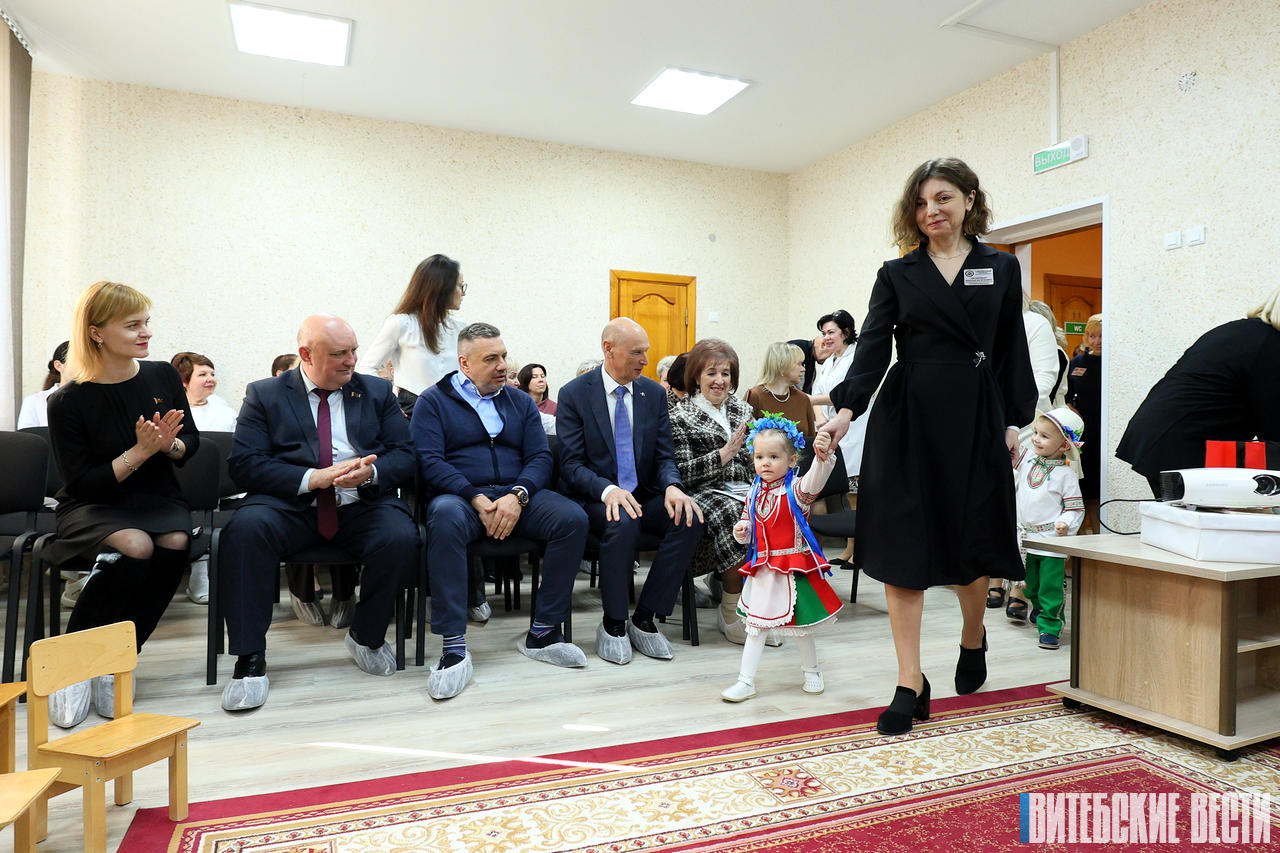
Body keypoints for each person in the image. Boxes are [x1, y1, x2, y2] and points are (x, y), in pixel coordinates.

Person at [819, 157, 1035, 735]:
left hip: (975, 414)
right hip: (908, 415)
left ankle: (973, 636)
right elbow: (872, 348)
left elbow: (1011, 347)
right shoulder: (897, 273)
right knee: (903, 546)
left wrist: (1014, 421)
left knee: (972, 538)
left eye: (942, 198)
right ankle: (908, 682)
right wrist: (846, 410)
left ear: (969, 200)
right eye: (920, 203)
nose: (931, 211)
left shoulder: (1000, 267)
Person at [217, 314, 418, 712]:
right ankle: (249, 658)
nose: (351, 360)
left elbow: (406, 455)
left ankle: (366, 636)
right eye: (339, 353)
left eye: (354, 350)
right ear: (306, 355)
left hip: (359, 503)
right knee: (244, 531)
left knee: (400, 536)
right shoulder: (265, 394)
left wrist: (371, 473)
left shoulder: (377, 392)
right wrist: (313, 478)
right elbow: (244, 464)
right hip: (291, 506)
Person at [44, 282, 198, 728]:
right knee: (135, 545)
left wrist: (168, 446)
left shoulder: (162, 376)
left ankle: (118, 661)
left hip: (156, 496)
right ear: (96, 333)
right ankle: (73, 665)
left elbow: (191, 442)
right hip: (92, 503)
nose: (145, 333)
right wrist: (140, 451)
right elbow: (83, 483)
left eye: (146, 322)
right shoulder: (67, 400)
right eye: (132, 325)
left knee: (175, 541)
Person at [412, 323, 588, 697]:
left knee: (572, 519)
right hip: (461, 498)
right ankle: (453, 646)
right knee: (444, 518)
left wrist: (517, 495)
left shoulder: (519, 401)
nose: (503, 366)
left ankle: (543, 632)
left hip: (516, 495)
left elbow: (540, 456)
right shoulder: (433, 401)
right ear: (464, 363)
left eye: (504, 356)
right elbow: (430, 461)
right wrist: (474, 496)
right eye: (491, 358)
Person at [556, 318, 704, 665]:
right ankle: (613, 623)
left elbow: (665, 456)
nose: (645, 360)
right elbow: (571, 465)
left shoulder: (653, 394)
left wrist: (672, 486)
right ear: (609, 349)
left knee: (689, 517)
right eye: (637, 352)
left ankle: (644, 617)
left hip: (643, 494)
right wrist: (607, 490)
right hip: (596, 497)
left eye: (646, 352)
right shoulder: (574, 394)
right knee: (623, 520)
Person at [721, 417, 841, 702]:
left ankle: (812, 672)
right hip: (764, 570)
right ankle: (745, 681)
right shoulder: (753, 492)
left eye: (774, 457)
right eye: (759, 457)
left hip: (794, 570)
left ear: (792, 460)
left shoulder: (797, 491)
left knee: (801, 627)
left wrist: (823, 457)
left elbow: (817, 478)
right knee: (756, 627)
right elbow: (748, 525)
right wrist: (742, 530)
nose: (765, 463)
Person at [1117, 287, 1280, 496]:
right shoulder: (1270, 344)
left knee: (1186, 512)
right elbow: (1272, 421)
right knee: (1199, 512)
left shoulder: (1245, 331)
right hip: (1181, 440)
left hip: (1165, 432)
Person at [669, 338, 766, 646]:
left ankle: (765, 609)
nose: (719, 380)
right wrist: (722, 455)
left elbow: (758, 456)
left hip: (745, 487)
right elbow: (682, 473)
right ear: (696, 376)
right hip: (704, 491)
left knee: (775, 506)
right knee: (736, 514)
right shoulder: (679, 415)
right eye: (711, 373)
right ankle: (730, 613)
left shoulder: (743, 409)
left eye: (725, 373)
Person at [1011, 408, 1085, 650]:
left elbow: (1075, 508)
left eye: (1044, 436)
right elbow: (1010, 450)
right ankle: (1039, 606)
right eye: (1035, 432)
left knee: (1050, 587)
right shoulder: (1027, 460)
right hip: (1026, 538)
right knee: (1030, 585)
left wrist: (1065, 522)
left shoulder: (1066, 475)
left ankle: (1050, 626)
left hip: (1051, 540)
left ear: (1064, 445)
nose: (1035, 439)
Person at [356, 254, 467, 401]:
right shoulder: (401, 324)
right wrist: (389, 401)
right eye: (460, 286)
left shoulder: (460, 327)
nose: (463, 293)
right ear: (442, 288)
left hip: (451, 407)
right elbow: (366, 368)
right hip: (413, 407)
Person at [807, 309, 867, 567]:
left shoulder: (857, 358)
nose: (826, 338)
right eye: (823, 333)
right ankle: (848, 549)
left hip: (854, 431)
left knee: (854, 495)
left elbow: (847, 394)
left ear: (846, 332)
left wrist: (811, 401)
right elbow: (817, 393)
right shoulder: (830, 361)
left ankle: (857, 550)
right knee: (843, 493)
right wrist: (820, 417)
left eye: (831, 332)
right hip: (832, 431)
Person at [1065, 313, 1102, 531]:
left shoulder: (1114, 364)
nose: (1097, 341)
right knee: (1083, 485)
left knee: (1099, 486)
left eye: (1101, 336)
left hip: (1104, 432)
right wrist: (1071, 409)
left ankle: (1099, 532)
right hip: (1082, 433)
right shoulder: (1077, 363)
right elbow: (1066, 395)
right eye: (1092, 336)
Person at [744, 343, 817, 439]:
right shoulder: (754, 396)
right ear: (782, 366)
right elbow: (744, 437)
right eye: (798, 364)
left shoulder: (803, 399)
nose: (803, 369)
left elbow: (812, 440)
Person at [171, 352, 238, 432]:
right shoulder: (173, 412)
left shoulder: (224, 409)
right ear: (183, 381)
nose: (211, 379)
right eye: (202, 374)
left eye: (212, 374)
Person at [18, 340, 69, 428]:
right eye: (79, 362)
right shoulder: (35, 401)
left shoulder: (93, 400)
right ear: (58, 366)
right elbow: (28, 435)